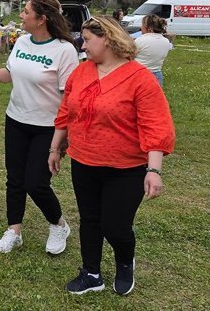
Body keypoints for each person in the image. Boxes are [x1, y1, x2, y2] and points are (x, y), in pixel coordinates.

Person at [48, 16, 175, 296]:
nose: (83, 46)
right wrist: (56, 148)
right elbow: (66, 112)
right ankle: (91, 273)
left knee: (115, 226)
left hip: (125, 167)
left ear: (107, 38)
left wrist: (153, 171)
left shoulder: (139, 78)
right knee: (90, 219)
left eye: (88, 40)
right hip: (84, 161)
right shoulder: (82, 73)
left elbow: (156, 125)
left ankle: (125, 262)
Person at [0, 0, 79, 255]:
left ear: (41, 19)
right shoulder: (22, 42)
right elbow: (11, 75)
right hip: (16, 120)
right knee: (14, 180)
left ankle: (58, 224)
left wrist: (63, 139)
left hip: (47, 127)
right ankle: (14, 230)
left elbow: (68, 98)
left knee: (35, 182)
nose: (21, 16)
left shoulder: (64, 50)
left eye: (25, 12)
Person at [134, 15, 173, 86]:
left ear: (149, 29)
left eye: (142, 25)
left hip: (140, 74)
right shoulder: (166, 41)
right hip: (157, 75)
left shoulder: (140, 40)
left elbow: (131, 55)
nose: (141, 28)